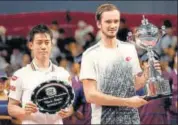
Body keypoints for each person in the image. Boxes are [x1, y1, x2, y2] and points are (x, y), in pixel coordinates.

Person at [79, 3, 161, 124]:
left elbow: (132, 85)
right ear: (98, 24)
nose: (113, 25)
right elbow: (91, 95)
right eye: (108, 21)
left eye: (116, 21)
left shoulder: (130, 49)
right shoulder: (90, 55)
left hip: (131, 120)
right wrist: (127, 102)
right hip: (104, 120)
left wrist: (146, 75)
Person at [7, 24, 74, 124]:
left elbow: (70, 107)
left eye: (47, 42)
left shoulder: (63, 74)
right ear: (31, 45)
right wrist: (23, 111)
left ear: (51, 44)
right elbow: (11, 108)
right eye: (39, 43)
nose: (43, 46)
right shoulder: (20, 75)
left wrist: (67, 111)